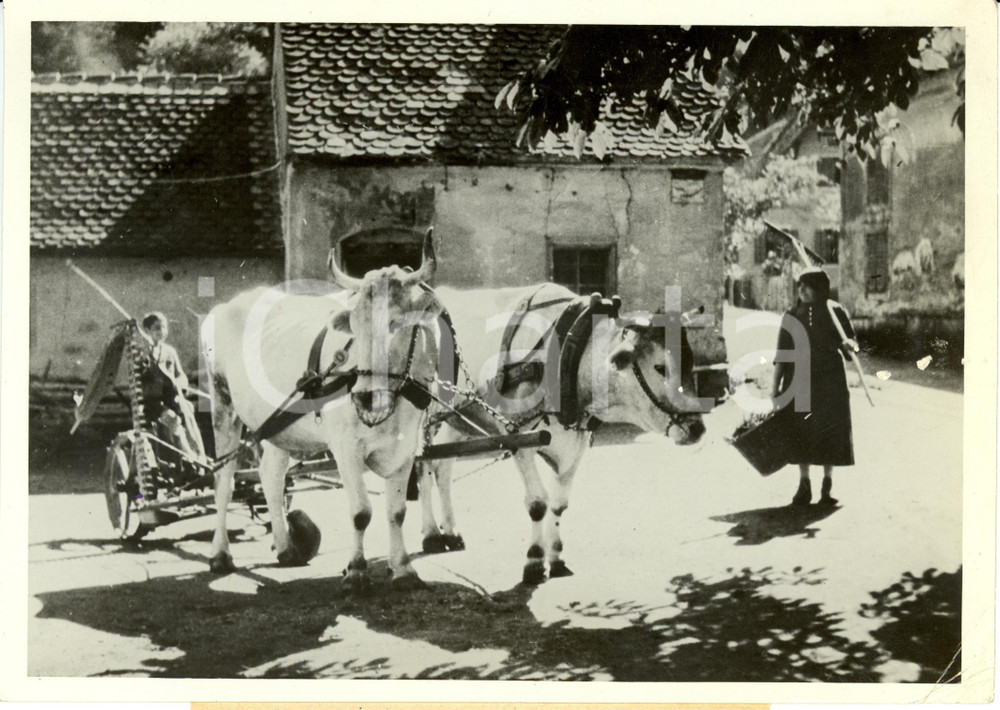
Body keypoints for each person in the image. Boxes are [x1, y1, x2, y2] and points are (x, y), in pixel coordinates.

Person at [770, 268, 858, 506]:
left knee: (829, 431)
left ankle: (827, 485)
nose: (802, 290)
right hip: (799, 380)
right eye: (799, 285)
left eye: (808, 285)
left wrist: (850, 344)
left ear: (820, 288)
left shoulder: (835, 311)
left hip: (830, 382)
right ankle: (804, 484)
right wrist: (775, 388)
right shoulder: (791, 315)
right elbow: (782, 354)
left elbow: (852, 347)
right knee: (802, 430)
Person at [140, 312, 206, 468]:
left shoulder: (170, 352)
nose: (161, 331)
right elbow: (141, 385)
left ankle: (200, 455)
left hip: (171, 399)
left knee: (188, 409)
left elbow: (180, 375)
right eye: (157, 328)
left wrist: (180, 383)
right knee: (174, 419)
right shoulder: (144, 354)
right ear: (148, 331)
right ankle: (188, 455)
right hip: (152, 404)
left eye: (164, 327)